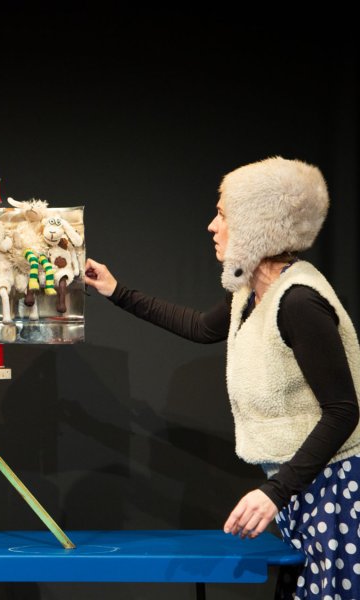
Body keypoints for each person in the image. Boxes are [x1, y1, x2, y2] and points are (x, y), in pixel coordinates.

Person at [83, 156, 359, 599]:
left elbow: (343, 410)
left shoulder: (299, 302)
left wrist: (275, 492)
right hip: (304, 484)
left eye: (224, 215)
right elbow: (199, 328)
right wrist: (118, 292)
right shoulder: (253, 292)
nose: (213, 226)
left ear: (256, 225)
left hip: (336, 487)